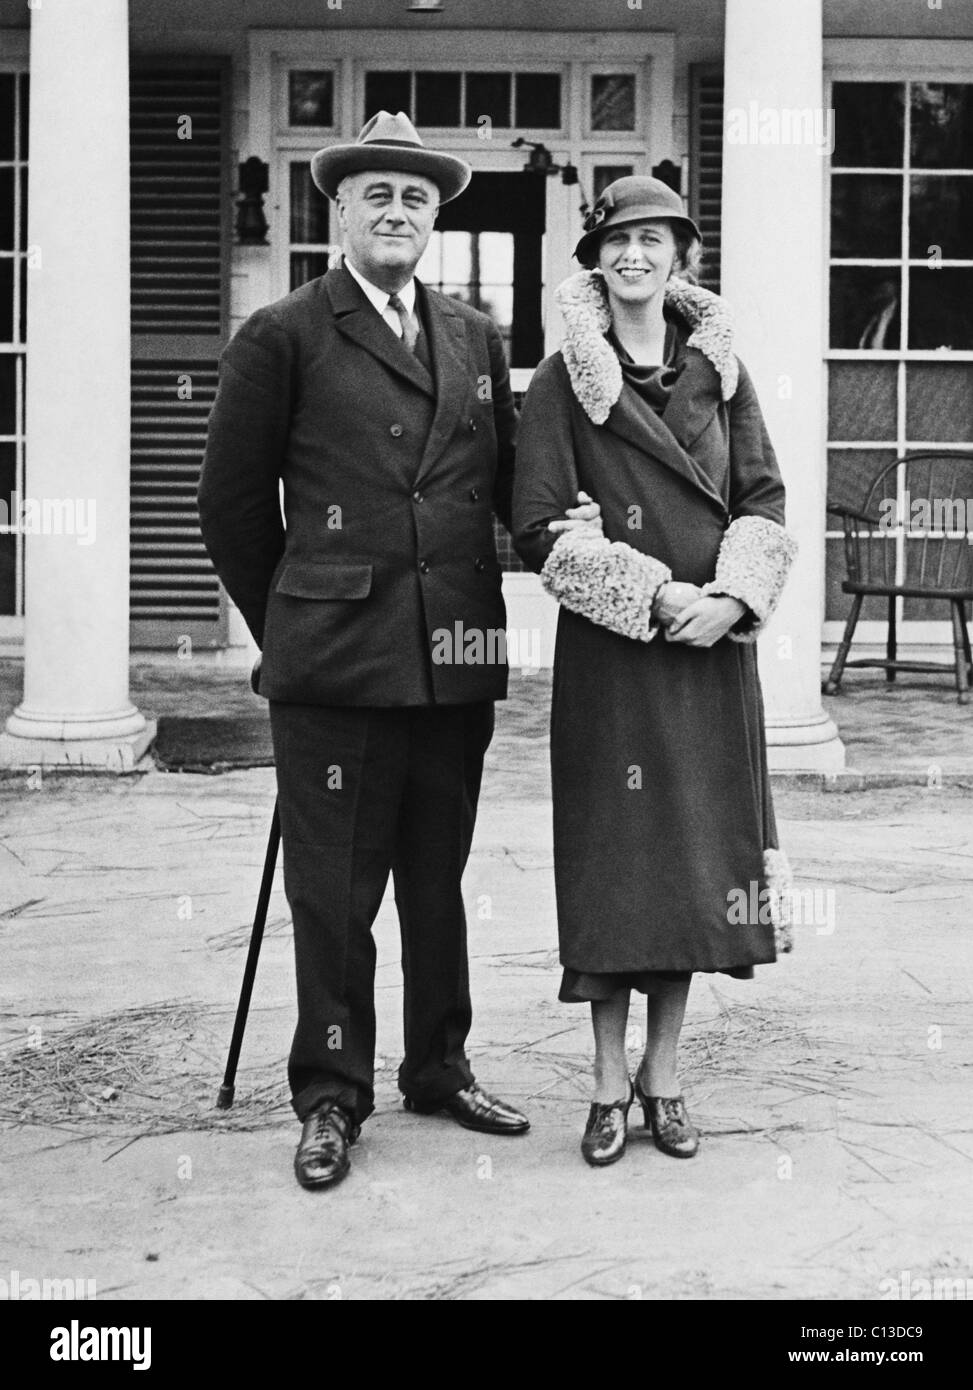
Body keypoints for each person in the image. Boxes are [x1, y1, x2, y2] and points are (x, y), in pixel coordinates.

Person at [199, 111, 537, 1191]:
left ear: (435, 218)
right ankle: (331, 1094)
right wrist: (296, 621)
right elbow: (232, 508)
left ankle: (437, 1064)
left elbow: (511, 490)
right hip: (333, 664)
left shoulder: (477, 337)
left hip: (453, 659)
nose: (398, 213)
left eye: (417, 199)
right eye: (376, 196)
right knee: (334, 894)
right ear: (335, 210)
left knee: (435, 880)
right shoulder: (283, 334)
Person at [512, 176, 797, 1168]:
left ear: (681, 258)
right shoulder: (561, 382)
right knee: (612, 867)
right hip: (616, 663)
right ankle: (602, 1085)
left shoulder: (721, 373)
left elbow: (762, 498)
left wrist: (733, 596)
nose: (636, 256)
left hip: (710, 661)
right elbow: (538, 525)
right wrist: (648, 591)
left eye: (655, 240)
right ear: (596, 256)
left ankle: (664, 1078)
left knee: (689, 869)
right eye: (619, 240)